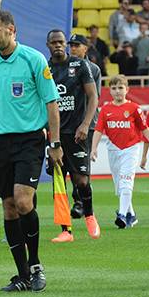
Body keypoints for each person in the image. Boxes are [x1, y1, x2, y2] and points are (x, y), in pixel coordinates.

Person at [0, 10, 61, 292]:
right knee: (8, 207)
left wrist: (54, 143)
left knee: (22, 201)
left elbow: (51, 103)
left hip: (30, 140)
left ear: (11, 29)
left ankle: (35, 265)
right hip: (0, 142)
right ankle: (21, 274)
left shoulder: (34, 60)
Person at [45, 31, 99, 242]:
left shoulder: (79, 65)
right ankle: (65, 229)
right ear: (48, 45)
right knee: (59, 182)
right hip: (54, 135)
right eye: (54, 42)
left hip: (77, 132)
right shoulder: (44, 68)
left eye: (61, 42)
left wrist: (86, 124)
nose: (58, 45)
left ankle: (90, 215)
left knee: (81, 181)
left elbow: (93, 96)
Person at [91, 75, 149, 228]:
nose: (117, 91)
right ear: (109, 91)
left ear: (127, 90)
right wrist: (93, 149)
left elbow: (144, 129)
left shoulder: (134, 108)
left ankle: (122, 215)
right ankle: (131, 214)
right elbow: (98, 130)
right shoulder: (105, 109)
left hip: (131, 149)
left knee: (126, 182)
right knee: (119, 186)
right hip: (113, 149)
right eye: (114, 88)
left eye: (120, 88)